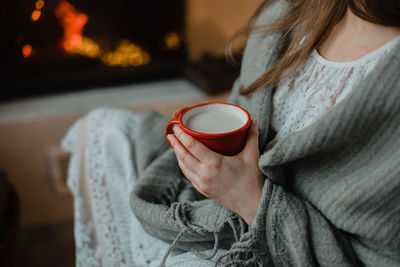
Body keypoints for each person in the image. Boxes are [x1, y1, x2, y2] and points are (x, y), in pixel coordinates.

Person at [62, 0, 400, 266]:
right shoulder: (293, 12)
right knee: (102, 129)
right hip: (214, 202)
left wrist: (249, 197)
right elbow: (241, 107)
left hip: (272, 242)